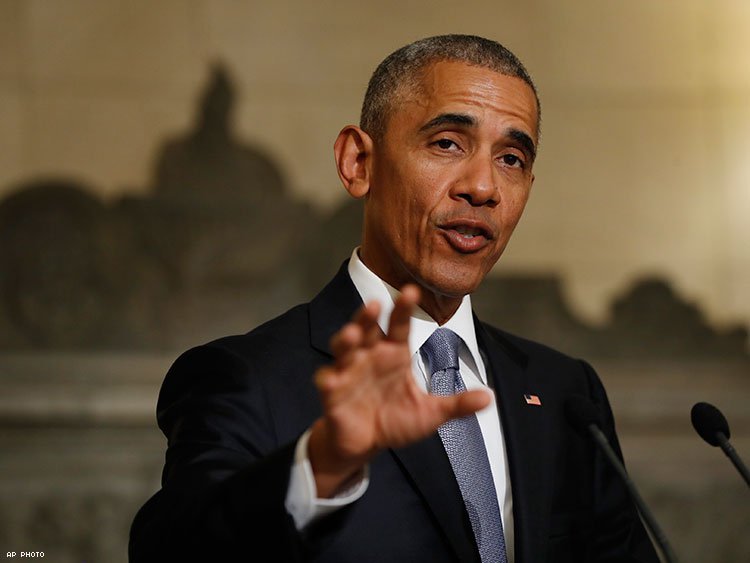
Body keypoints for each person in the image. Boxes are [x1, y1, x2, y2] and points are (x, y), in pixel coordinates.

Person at [130, 35, 659, 563]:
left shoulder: (565, 392)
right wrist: (324, 463)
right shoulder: (244, 377)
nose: (484, 186)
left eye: (512, 158)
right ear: (358, 163)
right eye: (448, 143)